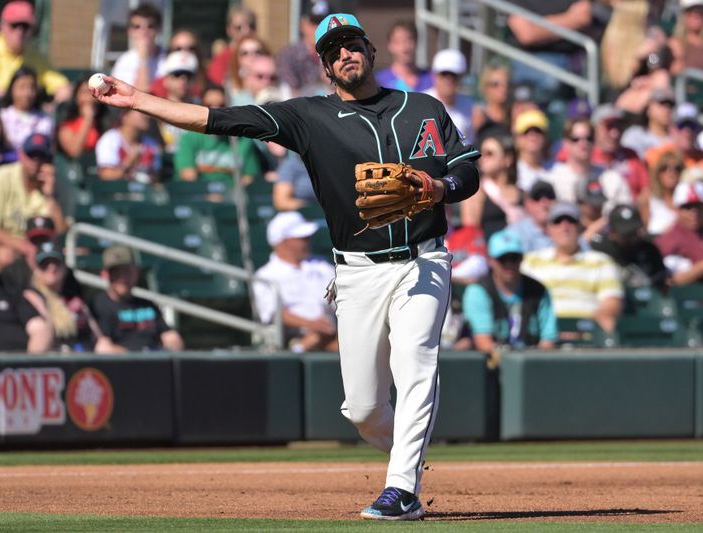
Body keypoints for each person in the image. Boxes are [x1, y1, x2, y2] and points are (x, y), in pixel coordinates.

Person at [91, 11, 479, 521]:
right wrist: (139, 100)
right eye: (334, 48)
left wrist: (439, 187)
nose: (345, 53)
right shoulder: (309, 116)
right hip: (359, 271)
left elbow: (466, 170)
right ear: (322, 64)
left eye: (352, 43)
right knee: (362, 411)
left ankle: (401, 489)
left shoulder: (422, 107)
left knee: (415, 362)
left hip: (424, 260)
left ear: (371, 49)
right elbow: (218, 119)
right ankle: (406, 461)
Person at [0, 134, 66, 275]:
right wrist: (25, 248)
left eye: (41, 156)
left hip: (36, 253)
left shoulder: (52, 187)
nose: (35, 161)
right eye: (31, 155)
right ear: (21, 155)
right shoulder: (1, 177)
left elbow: (61, 233)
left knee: (54, 263)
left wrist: (50, 197)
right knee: (6, 256)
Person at [522, 201, 624, 333]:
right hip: (540, 335)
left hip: (586, 336)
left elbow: (611, 303)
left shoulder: (601, 262)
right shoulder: (530, 261)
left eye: (571, 221)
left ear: (580, 227)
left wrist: (583, 326)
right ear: (548, 229)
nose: (564, 227)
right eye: (558, 221)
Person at [253, 211, 337, 352]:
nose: (308, 241)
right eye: (301, 238)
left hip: (331, 333)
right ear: (283, 242)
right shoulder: (265, 275)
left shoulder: (321, 265)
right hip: (292, 338)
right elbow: (272, 313)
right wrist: (311, 324)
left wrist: (323, 326)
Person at [463, 228, 557, 353]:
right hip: (492, 367)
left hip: (532, 364)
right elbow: (483, 342)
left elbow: (548, 340)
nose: (509, 264)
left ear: (522, 258)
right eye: (502, 259)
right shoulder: (478, 291)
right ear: (490, 260)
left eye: (514, 258)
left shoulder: (538, 290)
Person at [0, 1, 70, 103]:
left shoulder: (35, 55)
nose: (20, 31)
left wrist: (51, 107)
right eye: (14, 25)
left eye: (25, 26)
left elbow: (63, 88)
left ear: (32, 29)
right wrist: (8, 95)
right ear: (2, 26)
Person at [507, 0, 608, 103]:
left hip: (581, 55)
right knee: (551, 81)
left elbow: (584, 14)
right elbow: (527, 34)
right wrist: (571, 18)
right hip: (536, 58)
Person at [91, 245, 184, 353]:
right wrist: (137, 358)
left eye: (127, 271)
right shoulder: (98, 306)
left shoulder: (147, 304)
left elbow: (171, 337)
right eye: (116, 272)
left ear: (136, 272)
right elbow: (103, 348)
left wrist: (169, 348)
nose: (123, 277)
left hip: (156, 363)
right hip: (121, 366)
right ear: (105, 274)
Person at [23, 242, 107, 352]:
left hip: (84, 356)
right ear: (36, 270)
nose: (51, 267)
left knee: (105, 346)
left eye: (56, 262)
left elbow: (97, 336)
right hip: (55, 360)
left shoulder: (74, 298)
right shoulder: (31, 297)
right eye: (45, 264)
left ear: (64, 267)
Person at [175, 85, 260, 187]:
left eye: (221, 105)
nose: (216, 111)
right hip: (199, 196)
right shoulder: (189, 138)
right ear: (201, 107)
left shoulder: (243, 140)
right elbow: (188, 175)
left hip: (233, 197)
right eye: (209, 106)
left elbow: (249, 177)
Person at [545, 118, 632, 210]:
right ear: (565, 143)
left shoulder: (612, 178)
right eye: (576, 139)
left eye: (589, 138)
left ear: (594, 141)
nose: (583, 143)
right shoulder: (552, 180)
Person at [645, 102, 703, 197]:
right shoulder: (656, 156)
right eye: (681, 125)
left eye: (692, 126)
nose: (687, 131)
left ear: (698, 129)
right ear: (670, 128)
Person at [459, 131, 523, 239]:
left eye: (489, 153)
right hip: (490, 254)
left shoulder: (521, 192)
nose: (482, 158)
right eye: (481, 153)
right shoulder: (475, 192)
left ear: (508, 159)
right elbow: (470, 235)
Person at [590, 203, 668, 289]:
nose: (632, 238)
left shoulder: (648, 249)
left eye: (634, 232)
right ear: (612, 233)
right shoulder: (599, 251)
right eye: (626, 234)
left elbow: (660, 282)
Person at [591, 104, 649, 200]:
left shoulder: (631, 156)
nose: (615, 134)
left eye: (619, 127)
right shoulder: (586, 156)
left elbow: (646, 191)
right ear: (595, 129)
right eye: (609, 127)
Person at [277, 2, 330, 97]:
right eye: (314, 23)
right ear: (303, 26)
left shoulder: (336, 53)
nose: (319, 28)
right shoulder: (289, 55)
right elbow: (288, 94)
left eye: (324, 23)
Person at [110, 3, 167, 92]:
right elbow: (138, 96)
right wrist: (143, 60)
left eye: (150, 26)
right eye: (137, 27)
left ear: (159, 29)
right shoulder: (123, 62)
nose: (144, 31)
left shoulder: (169, 57)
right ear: (130, 31)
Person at [95, 108, 162, 183]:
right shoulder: (110, 139)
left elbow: (156, 179)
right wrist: (129, 161)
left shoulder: (150, 143)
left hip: (145, 193)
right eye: (141, 112)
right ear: (125, 116)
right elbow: (107, 177)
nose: (147, 116)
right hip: (118, 192)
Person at [424, 49, 475, 144]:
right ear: (434, 76)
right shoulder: (420, 102)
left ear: (461, 78)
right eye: (444, 74)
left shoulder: (469, 106)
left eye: (453, 75)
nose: (448, 79)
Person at [0, 66, 54, 151]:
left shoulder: (45, 120)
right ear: (11, 89)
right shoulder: (2, 117)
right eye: (22, 87)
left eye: (32, 87)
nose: (27, 93)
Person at [56, 75, 110, 161]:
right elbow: (75, 152)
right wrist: (88, 118)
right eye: (85, 92)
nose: (89, 98)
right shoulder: (66, 126)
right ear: (76, 97)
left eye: (94, 92)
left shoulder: (107, 125)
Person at [158, 50, 201, 153]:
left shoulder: (204, 108)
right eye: (177, 74)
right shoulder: (155, 107)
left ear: (195, 80)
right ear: (166, 79)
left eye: (188, 75)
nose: (183, 80)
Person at [206, 5, 258, 87]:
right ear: (229, 30)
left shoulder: (263, 56)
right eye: (238, 27)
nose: (246, 31)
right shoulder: (222, 59)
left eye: (251, 26)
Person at [375, 20, 433, 93]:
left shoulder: (432, 79)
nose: (404, 47)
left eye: (409, 40)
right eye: (398, 41)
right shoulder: (379, 81)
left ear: (416, 42)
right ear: (390, 46)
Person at [151, 29, 206, 100]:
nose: (184, 53)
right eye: (178, 49)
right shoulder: (158, 90)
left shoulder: (211, 81)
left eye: (191, 49)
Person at [621, 87, 675, 158]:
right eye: (662, 104)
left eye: (670, 106)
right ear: (648, 108)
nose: (667, 109)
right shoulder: (635, 135)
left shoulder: (677, 138)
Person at [508, 180, 557, 253]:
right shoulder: (515, 233)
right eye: (537, 197)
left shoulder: (568, 229)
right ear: (527, 205)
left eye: (549, 196)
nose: (544, 202)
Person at [513, 109, 552, 191]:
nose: (533, 136)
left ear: (545, 136)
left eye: (538, 131)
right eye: (526, 131)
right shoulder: (511, 172)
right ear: (517, 138)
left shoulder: (555, 169)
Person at [471, 61, 512, 135]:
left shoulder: (512, 115)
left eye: (506, 84)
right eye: (496, 84)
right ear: (486, 88)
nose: (503, 89)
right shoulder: (479, 115)